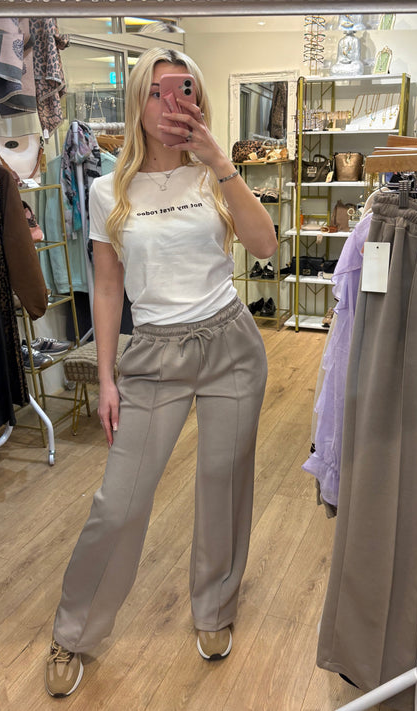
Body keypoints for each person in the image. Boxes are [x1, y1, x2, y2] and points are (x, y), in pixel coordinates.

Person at [45, 47, 277, 699]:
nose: (171, 103)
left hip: (230, 342)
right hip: (153, 354)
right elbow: (107, 286)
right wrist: (107, 376)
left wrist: (220, 162)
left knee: (223, 483)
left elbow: (264, 246)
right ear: (136, 102)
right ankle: (74, 630)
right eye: (156, 92)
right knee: (117, 502)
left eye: (183, 90)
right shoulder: (106, 190)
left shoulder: (212, 175)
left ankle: (214, 607)